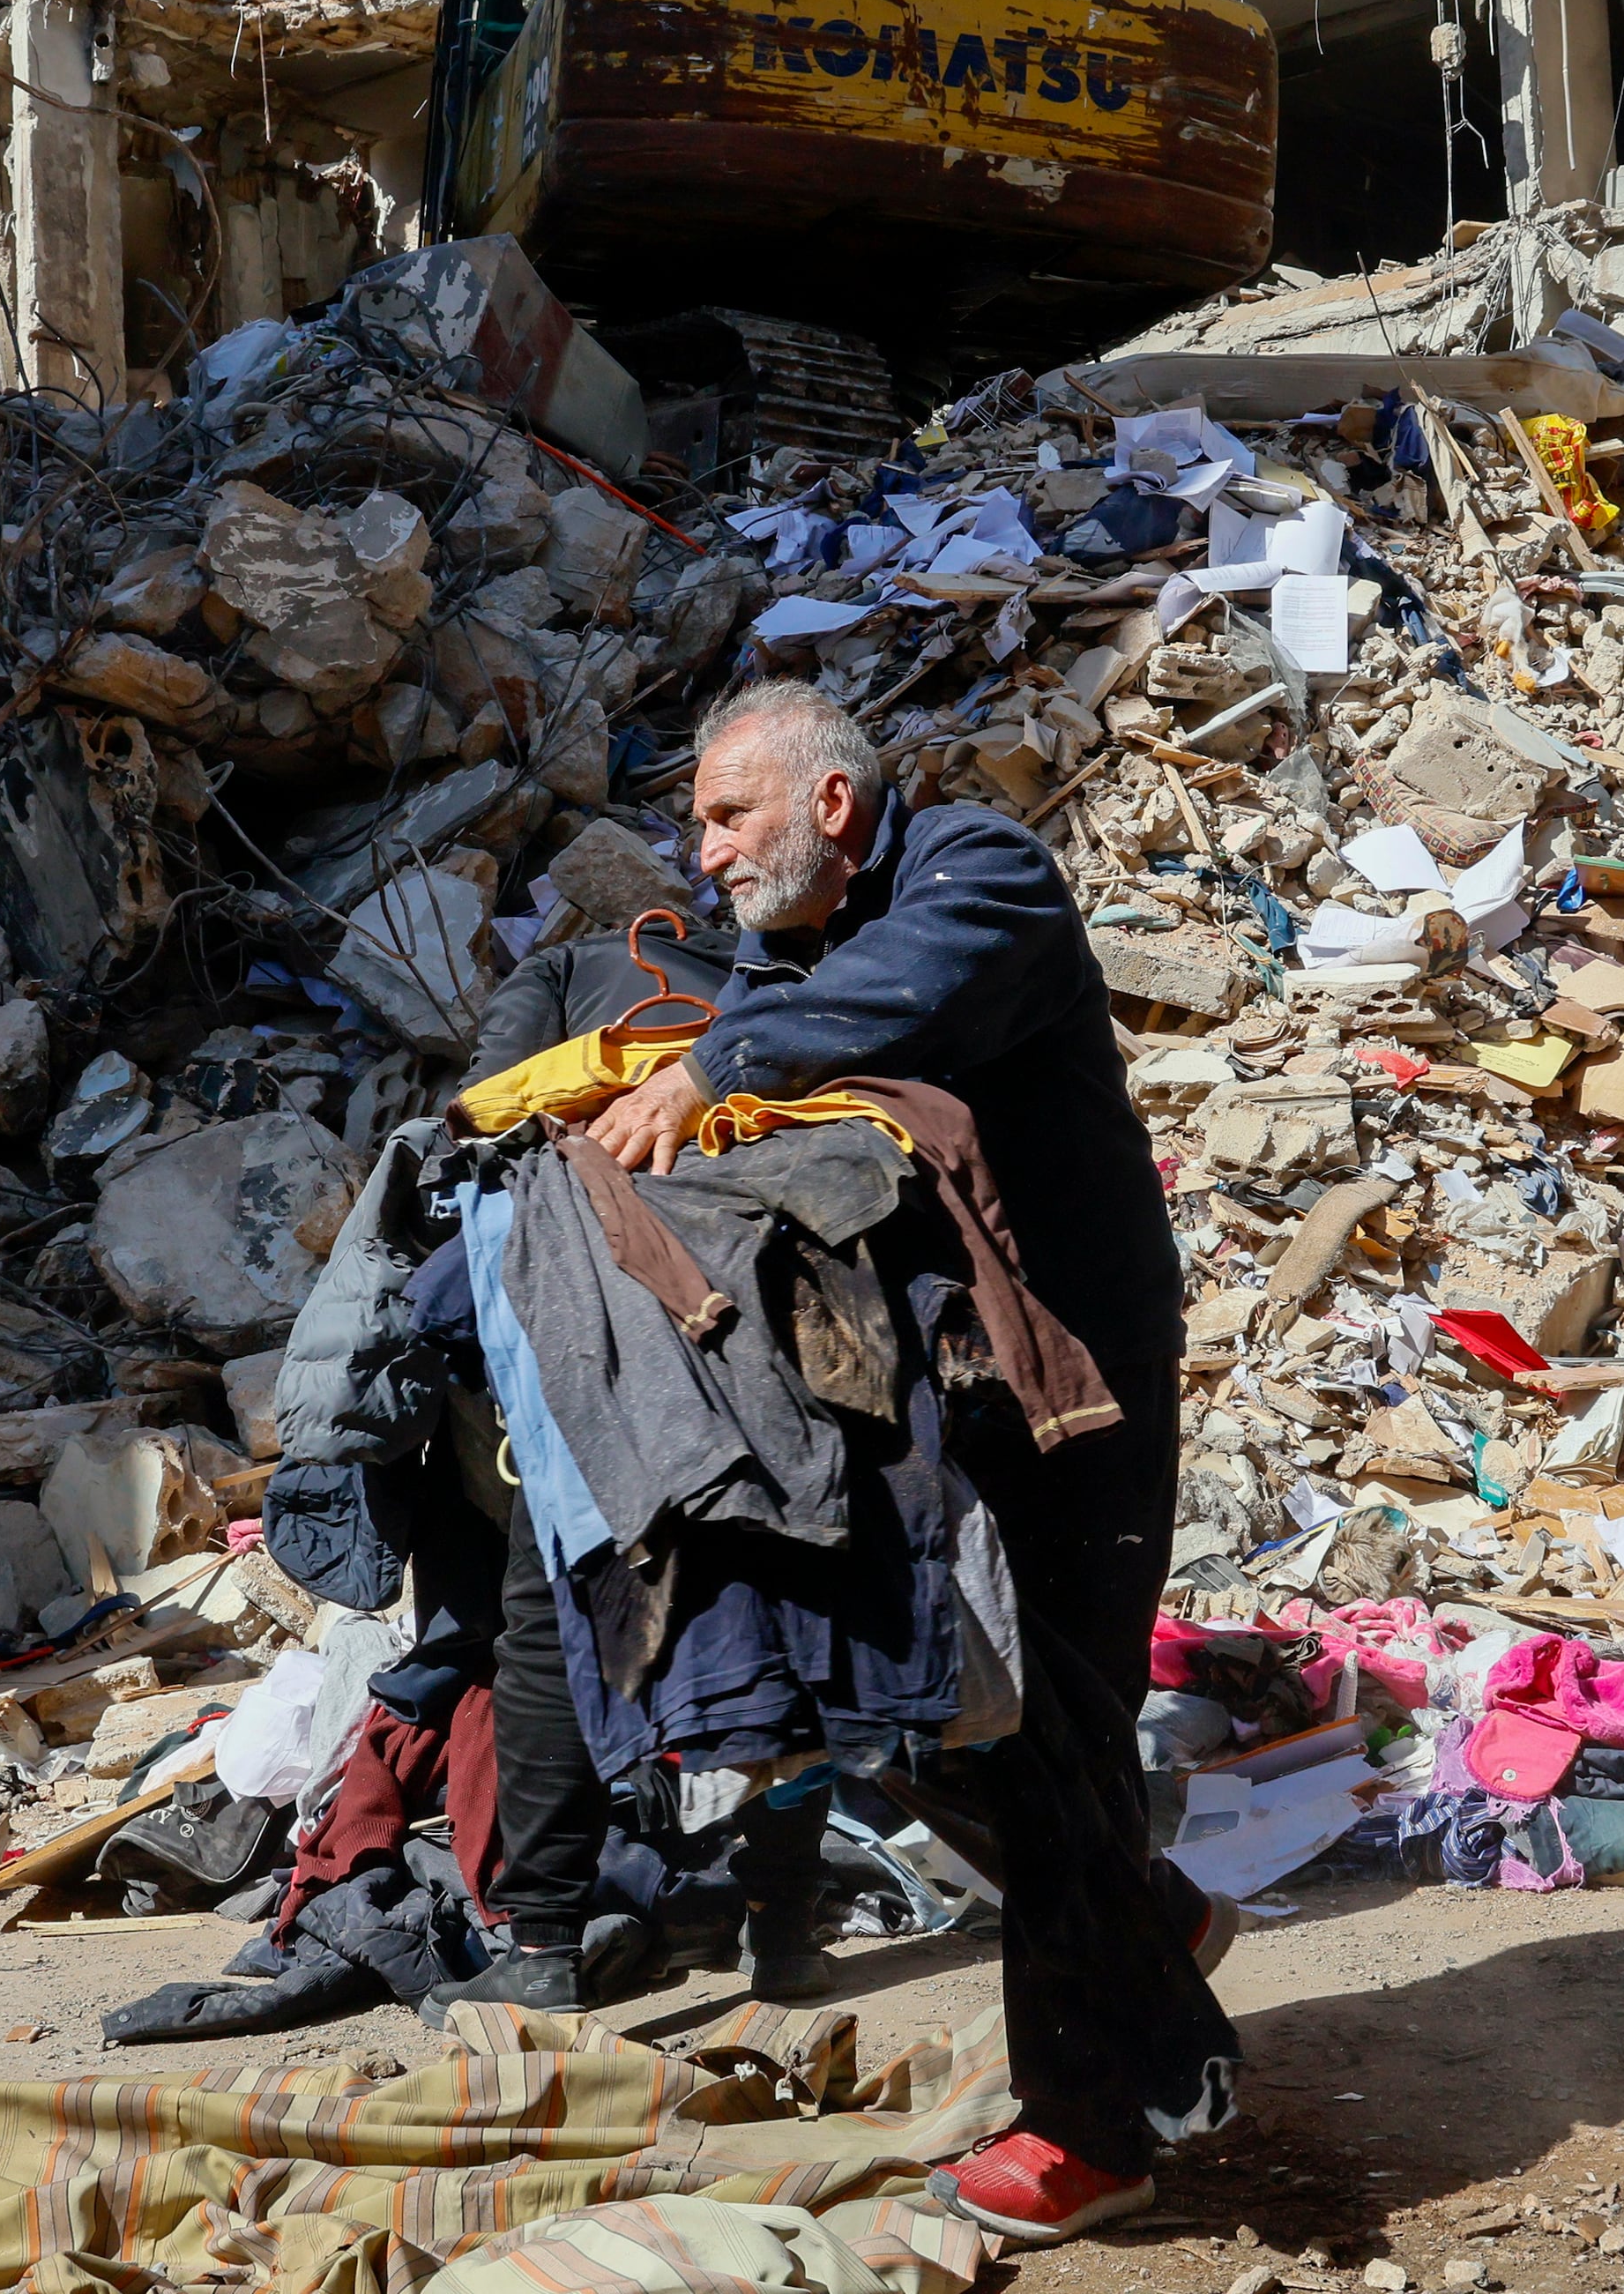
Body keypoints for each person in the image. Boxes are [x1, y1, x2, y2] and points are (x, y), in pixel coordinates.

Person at [458, 679, 1234, 2246]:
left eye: (727, 813)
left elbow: (898, 996)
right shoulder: (780, 938)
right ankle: (1146, 1928)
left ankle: (1100, 2125)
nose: (704, 845)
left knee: (1056, 1715)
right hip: (930, 1374)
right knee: (930, 1701)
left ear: (828, 804)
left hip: (1068, 1368)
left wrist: (717, 1064)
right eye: (697, 819)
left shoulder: (978, 872)